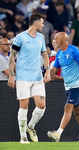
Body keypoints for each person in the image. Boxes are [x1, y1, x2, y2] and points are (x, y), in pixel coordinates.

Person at [7, 14, 51, 144]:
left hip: (37, 77)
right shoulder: (20, 38)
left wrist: (47, 71)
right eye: (42, 23)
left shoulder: (41, 38)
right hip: (23, 77)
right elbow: (12, 57)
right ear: (36, 23)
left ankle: (30, 127)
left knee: (41, 105)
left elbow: (44, 55)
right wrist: (11, 75)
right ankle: (23, 137)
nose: (43, 25)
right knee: (24, 105)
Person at [47, 32, 79, 142]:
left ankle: (58, 133)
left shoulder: (74, 50)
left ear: (62, 41)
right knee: (78, 111)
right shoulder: (59, 53)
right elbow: (54, 69)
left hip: (78, 85)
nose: (54, 41)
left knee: (68, 107)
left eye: (56, 39)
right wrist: (45, 77)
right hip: (68, 86)